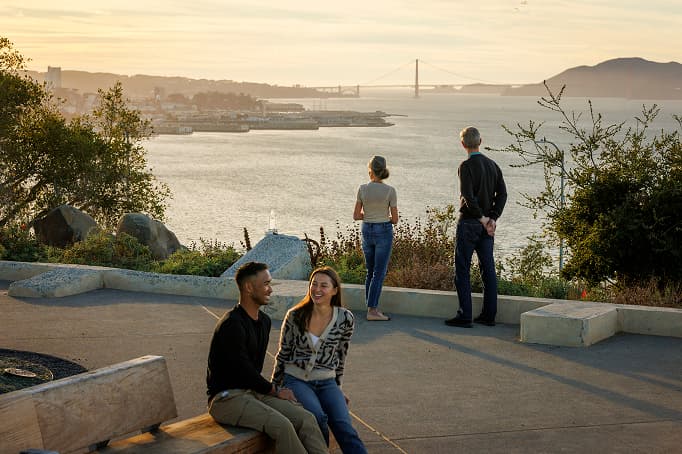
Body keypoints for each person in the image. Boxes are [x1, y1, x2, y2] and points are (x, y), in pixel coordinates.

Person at [206, 261, 328, 454]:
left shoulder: (264, 322)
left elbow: (253, 372)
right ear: (248, 287)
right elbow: (243, 370)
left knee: (306, 419)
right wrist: (273, 390)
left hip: (253, 392)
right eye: (265, 284)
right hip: (226, 399)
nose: (270, 289)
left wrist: (273, 390)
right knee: (283, 426)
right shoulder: (232, 325)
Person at [272, 266, 367, 454]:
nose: (317, 289)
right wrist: (274, 387)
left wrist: (338, 390)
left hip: (327, 381)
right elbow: (283, 353)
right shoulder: (295, 315)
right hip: (296, 380)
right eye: (313, 284)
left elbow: (341, 356)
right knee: (318, 417)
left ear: (334, 290)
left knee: (343, 425)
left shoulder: (345, 318)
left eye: (324, 285)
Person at [445, 126, 507, 328]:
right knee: (488, 269)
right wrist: (493, 218)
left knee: (462, 269)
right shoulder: (493, 165)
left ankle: (465, 315)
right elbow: (503, 195)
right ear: (481, 141)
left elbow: (467, 196)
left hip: (470, 224)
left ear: (463, 144)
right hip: (487, 226)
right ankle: (489, 315)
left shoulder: (465, 166)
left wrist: (481, 217)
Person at [353, 155, 399, 321]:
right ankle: (372, 310)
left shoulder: (362, 189)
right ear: (384, 170)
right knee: (379, 273)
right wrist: (382, 216)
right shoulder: (390, 191)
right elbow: (394, 219)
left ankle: (370, 307)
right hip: (383, 231)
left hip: (366, 229)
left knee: (370, 271)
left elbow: (356, 215)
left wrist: (370, 215)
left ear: (370, 170)